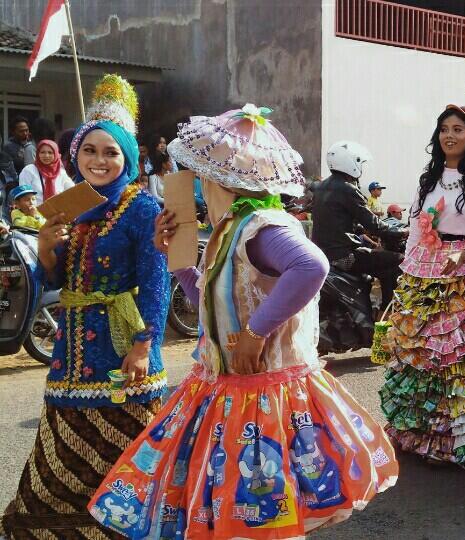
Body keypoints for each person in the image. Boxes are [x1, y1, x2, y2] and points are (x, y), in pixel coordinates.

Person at [88, 105, 398, 539]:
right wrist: (176, 261)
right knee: (245, 511)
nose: (196, 186)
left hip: (261, 393)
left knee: (263, 509)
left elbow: (311, 267)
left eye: (201, 176)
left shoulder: (262, 225)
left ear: (219, 179)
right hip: (231, 387)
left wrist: (255, 334)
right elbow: (210, 306)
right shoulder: (232, 229)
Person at [0, 75, 170, 539]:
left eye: (111, 152)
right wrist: (49, 247)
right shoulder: (68, 207)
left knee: (129, 458)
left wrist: (143, 346)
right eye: (90, 150)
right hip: (70, 354)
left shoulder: (142, 210)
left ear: (128, 159)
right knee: (59, 461)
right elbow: (54, 281)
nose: (99, 160)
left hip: (122, 352)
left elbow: (157, 287)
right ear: (75, 154)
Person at [380, 104, 465, 465]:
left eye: (458, 129)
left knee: (461, 357)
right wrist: (405, 276)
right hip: (424, 274)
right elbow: (415, 231)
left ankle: (464, 442)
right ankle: (423, 437)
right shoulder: (428, 179)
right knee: (421, 358)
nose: (449, 136)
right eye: (444, 130)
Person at [312, 141, 407, 309]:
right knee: (398, 260)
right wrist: (403, 232)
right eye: (360, 163)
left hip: (323, 253)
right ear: (352, 163)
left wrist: (359, 228)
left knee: (382, 266)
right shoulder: (347, 189)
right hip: (343, 257)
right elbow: (375, 226)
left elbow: (337, 220)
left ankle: (374, 309)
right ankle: (387, 313)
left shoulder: (321, 187)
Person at [18, 139, 75, 204]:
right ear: (37, 153)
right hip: (34, 212)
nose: (46, 156)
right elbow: (24, 196)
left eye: (50, 152)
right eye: (42, 152)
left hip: (57, 212)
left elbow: (73, 190)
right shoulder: (29, 171)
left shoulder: (60, 172)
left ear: (56, 154)